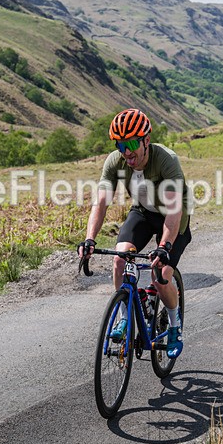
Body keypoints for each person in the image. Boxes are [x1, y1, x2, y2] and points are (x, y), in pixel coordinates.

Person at [78, 109, 191, 359]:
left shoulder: (166, 160)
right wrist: (90, 239)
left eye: (131, 144)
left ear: (146, 141)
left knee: (160, 274)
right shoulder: (115, 162)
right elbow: (101, 203)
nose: (126, 152)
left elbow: (173, 212)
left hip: (173, 217)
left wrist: (164, 246)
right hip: (142, 212)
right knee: (120, 259)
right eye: (120, 144)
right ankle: (125, 318)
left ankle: (174, 325)